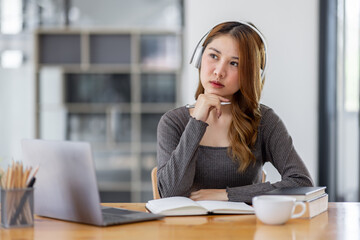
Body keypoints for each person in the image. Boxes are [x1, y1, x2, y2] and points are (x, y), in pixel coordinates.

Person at [156, 21, 313, 203]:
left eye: (234, 63)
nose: (219, 71)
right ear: (199, 57)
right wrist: (197, 121)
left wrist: (227, 195)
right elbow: (169, 193)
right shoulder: (173, 122)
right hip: (188, 228)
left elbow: (302, 183)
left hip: (247, 228)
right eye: (214, 56)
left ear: (251, 74)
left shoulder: (263, 120)